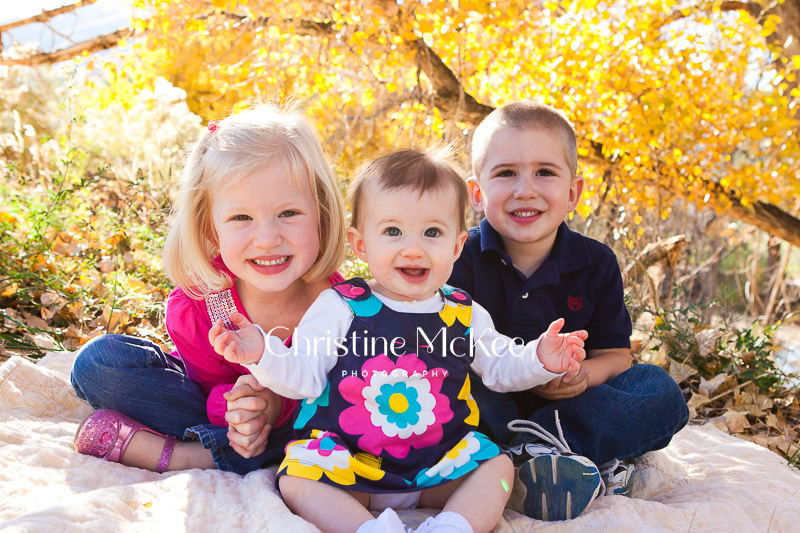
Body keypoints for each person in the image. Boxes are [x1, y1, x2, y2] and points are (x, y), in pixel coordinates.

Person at [209, 147, 590, 533]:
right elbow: (303, 376)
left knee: (499, 469)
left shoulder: (463, 311)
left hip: (440, 464)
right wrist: (262, 352)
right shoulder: (341, 306)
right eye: (392, 231)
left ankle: (454, 526)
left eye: (432, 232)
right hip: (350, 464)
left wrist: (539, 357)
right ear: (360, 244)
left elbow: (501, 367)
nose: (413, 248)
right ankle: (369, 529)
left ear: (457, 246)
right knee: (296, 479)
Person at [70, 103, 348, 475]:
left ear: (322, 213)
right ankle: (223, 451)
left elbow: (340, 394)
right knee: (100, 363)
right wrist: (239, 408)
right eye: (241, 218)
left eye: (289, 213)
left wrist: (273, 407)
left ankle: (187, 454)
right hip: (210, 405)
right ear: (209, 229)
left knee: (331, 430)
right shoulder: (203, 305)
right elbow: (207, 390)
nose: (267, 239)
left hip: (299, 425)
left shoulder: (343, 306)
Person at [448, 100, 690, 521]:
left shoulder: (595, 262)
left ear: (574, 192)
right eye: (506, 173)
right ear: (477, 192)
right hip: (492, 405)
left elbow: (615, 356)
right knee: (448, 385)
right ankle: (551, 463)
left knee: (658, 390)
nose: (526, 189)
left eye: (545, 172)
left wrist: (580, 379)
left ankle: (537, 456)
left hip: (572, 411)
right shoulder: (457, 256)